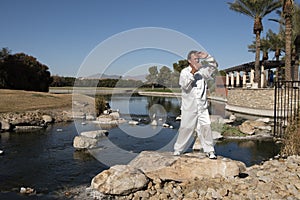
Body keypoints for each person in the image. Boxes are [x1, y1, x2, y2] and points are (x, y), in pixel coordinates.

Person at [173, 50, 217, 159]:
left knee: (206, 128)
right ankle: (178, 149)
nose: (197, 61)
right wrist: (193, 72)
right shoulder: (184, 72)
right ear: (189, 61)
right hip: (189, 108)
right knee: (186, 128)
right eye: (195, 59)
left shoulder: (203, 72)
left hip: (202, 107)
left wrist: (207, 56)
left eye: (198, 59)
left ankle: (210, 150)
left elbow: (214, 66)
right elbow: (185, 86)